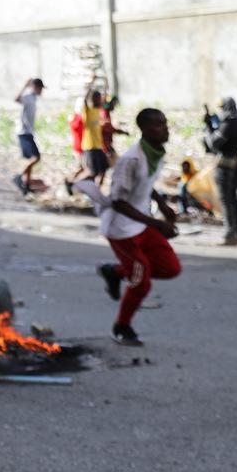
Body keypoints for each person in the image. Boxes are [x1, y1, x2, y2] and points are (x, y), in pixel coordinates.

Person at [93, 108, 181, 346]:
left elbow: (147, 182)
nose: (164, 129)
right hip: (122, 229)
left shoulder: (156, 153)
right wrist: (156, 223)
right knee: (141, 282)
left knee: (170, 267)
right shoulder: (131, 159)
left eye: (164, 123)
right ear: (143, 129)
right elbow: (118, 202)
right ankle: (121, 327)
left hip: (141, 223)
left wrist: (162, 205)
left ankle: (116, 272)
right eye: (157, 125)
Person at [203, 97, 237, 246]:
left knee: (226, 200)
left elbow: (213, 143)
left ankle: (230, 234)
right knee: (232, 199)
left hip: (224, 164)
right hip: (235, 162)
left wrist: (208, 127)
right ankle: (235, 232)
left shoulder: (229, 122)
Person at [13, 78, 44, 194]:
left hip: (28, 132)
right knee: (35, 157)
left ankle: (26, 186)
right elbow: (16, 99)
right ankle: (19, 177)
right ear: (35, 87)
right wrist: (24, 86)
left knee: (31, 159)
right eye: (40, 88)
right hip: (23, 132)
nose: (41, 91)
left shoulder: (33, 98)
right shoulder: (28, 96)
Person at [80, 89, 110, 187]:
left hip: (98, 146)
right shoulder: (87, 110)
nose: (96, 101)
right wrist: (91, 83)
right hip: (89, 146)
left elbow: (107, 102)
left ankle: (96, 190)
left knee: (104, 168)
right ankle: (74, 183)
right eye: (94, 99)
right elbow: (85, 99)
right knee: (93, 172)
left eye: (98, 99)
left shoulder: (98, 110)